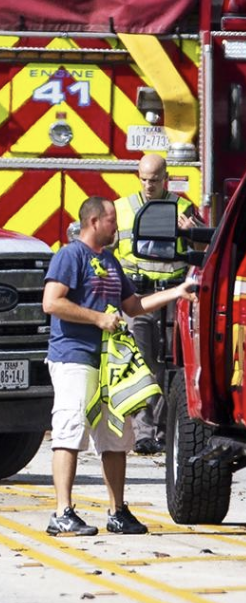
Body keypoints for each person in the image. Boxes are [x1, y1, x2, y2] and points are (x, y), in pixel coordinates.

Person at [43, 195, 198, 537]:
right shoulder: (70, 256)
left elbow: (134, 306)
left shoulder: (110, 261)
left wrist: (177, 292)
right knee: (70, 429)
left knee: (116, 436)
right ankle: (62, 513)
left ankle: (117, 512)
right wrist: (98, 318)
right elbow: (51, 302)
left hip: (109, 364)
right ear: (94, 222)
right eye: (112, 220)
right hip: (74, 356)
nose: (117, 226)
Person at [112, 153, 200, 454]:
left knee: (171, 365)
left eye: (155, 180)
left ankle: (164, 432)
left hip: (174, 296)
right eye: (144, 179)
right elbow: (106, 251)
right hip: (137, 298)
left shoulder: (184, 208)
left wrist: (191, 232)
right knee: (141, 365)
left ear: (166, 179)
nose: (149, 185)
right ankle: (144, 434)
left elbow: (204, 249)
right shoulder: (122, 208)